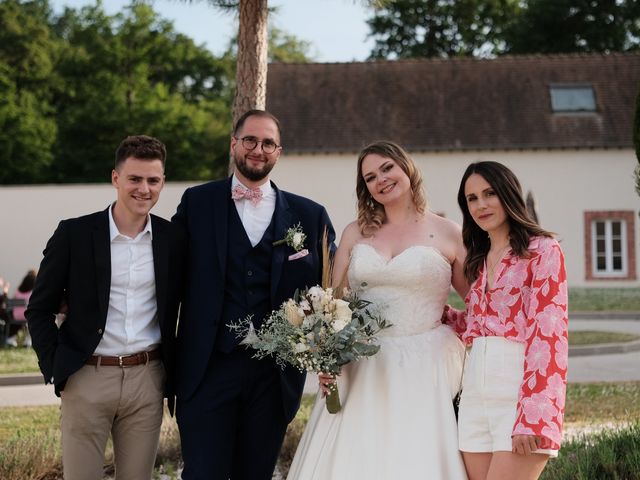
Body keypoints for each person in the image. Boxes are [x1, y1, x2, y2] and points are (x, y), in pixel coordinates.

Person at [287, 141, 469, 479]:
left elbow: (478, 302)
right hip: (360, 364)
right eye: (370, 177)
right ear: (365, 188)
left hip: (422, 366)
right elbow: (332, 302)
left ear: (407, 168)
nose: (381, 179)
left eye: (387, 168)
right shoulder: (355, 233)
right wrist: (324, 356)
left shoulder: (449, 232)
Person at [172, 109, 335, 480]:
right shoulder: (197, 203)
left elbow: (330, 288)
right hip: (208, 368)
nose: (258, 149)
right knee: (203, 473)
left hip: (274, 376)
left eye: (268, 143)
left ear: (279, 151)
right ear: (234, 144)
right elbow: (166, 270)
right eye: (250, 140)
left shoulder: (310, 216)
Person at [26, 135, 185, 480]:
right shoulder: (74, 235)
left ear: (162, 183)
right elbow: (38, 309)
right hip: (87, 376)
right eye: (134, 179)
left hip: (148, 378)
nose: (144, 189)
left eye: (153, 180)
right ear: (116, 178)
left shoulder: (174, 240)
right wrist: (54, 365)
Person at [445, 161, 568, 480]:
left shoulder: (542, 250)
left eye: (489, 193)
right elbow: (477, 324)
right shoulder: (478, 258)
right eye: (472, 198)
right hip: (474, 396)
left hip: (519, 393)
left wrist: (533, 416)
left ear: (508, 194)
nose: (481, 204)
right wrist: (425, 310)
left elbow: (549, 335)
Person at [6, 269, 36, 347]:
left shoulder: (17, 290)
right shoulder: (32, 292)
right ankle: (28, 341)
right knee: (34, 319)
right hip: (27, 316)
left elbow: (11, 301)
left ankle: (11, 339)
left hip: (15, 316)